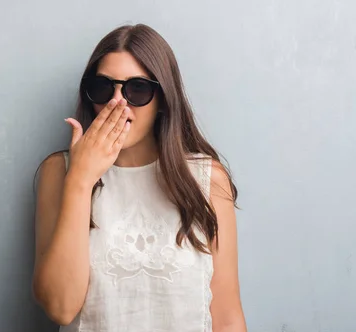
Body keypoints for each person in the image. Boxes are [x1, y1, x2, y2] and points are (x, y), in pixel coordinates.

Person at [32, 24, 246, 332]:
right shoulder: (60, 173)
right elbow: (60, 307)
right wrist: (81, 179)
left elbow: (227, 317)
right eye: (103, 88)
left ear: (162, 98)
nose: (117, 102)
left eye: (137, 89)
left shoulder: (206, 179)